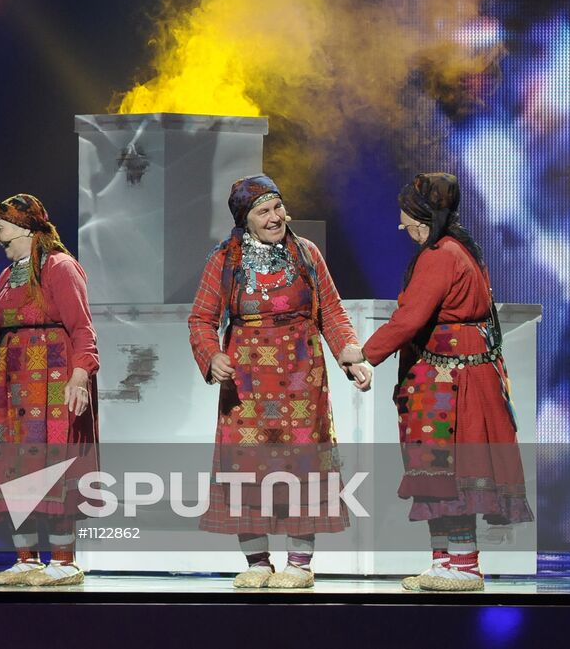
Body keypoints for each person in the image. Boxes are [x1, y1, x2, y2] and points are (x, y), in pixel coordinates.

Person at [188, 175, 371, 589]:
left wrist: (350, 354)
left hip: (301, 379)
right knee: (246, 467)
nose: (275, 218)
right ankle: (257, 561)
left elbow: (333, 312)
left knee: (302, 465)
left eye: (278, 208)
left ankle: (300, 563)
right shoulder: (225, 259)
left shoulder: (306, 254)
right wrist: (211, 354)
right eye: (263, 211)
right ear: (245, 219)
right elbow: (201, 318)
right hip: (246, 383)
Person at [361, 173, 532, 592]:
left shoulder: (441, 254)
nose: (408, 232)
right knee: (436, 471)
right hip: (449, 373)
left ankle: (465, 566)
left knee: (452, 468)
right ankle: (443, 564)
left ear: (425, 216)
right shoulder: (462, 248)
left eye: (410, 224)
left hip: (451, 380)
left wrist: (363, 354)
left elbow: (410, 317)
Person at [0, 194, 98, 587]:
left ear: (24, 228)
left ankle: (64, 560)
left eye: (0, 228)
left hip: (53, 380)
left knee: (53, 462)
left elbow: (82, 328)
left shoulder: (60, 267)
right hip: (11, 383)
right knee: (15, 464)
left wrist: (80, 374)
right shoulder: (7, 276)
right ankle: (25, 558)